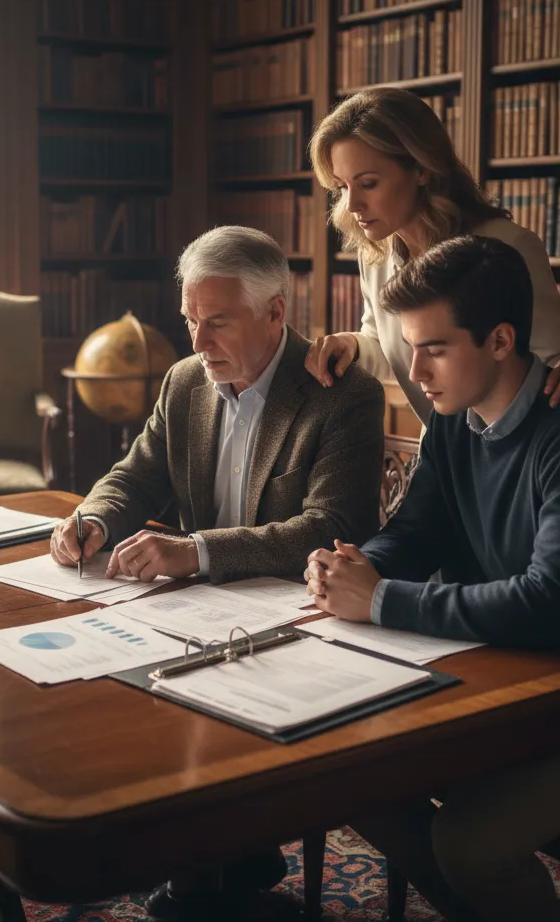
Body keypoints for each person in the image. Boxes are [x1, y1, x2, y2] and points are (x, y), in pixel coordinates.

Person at [303, 236, 560, 922]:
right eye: (410, 346)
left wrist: (384, 600)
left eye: (434, 347)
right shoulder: (454, 422)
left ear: (500, 340)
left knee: (470, 845)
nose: (415, 370)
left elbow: (553, 604)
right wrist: (357, 565)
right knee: (347, 776)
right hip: (507, 673)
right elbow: (416, 530)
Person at [51, 224, 386, 920]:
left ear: (274, 313)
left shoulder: (341, 393)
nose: (198, 342)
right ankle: (222, 855)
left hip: (300, 621)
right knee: (103, 686)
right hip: (200, 613)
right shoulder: (183, 383)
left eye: (217, 323)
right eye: (190, 321)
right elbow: (134, 478)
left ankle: (202, 874)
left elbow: (331, 526)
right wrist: (94, 519)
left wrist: (197, 550)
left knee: (179, 692)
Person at [305, 86, 560, 417]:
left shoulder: (504, 246)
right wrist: (353, 346)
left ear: (422, 169)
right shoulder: (375, 255)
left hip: (508, 449)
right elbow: (392, 344)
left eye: (368, 184)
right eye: (342, 188)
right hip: (442, 450)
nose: (351, 205)